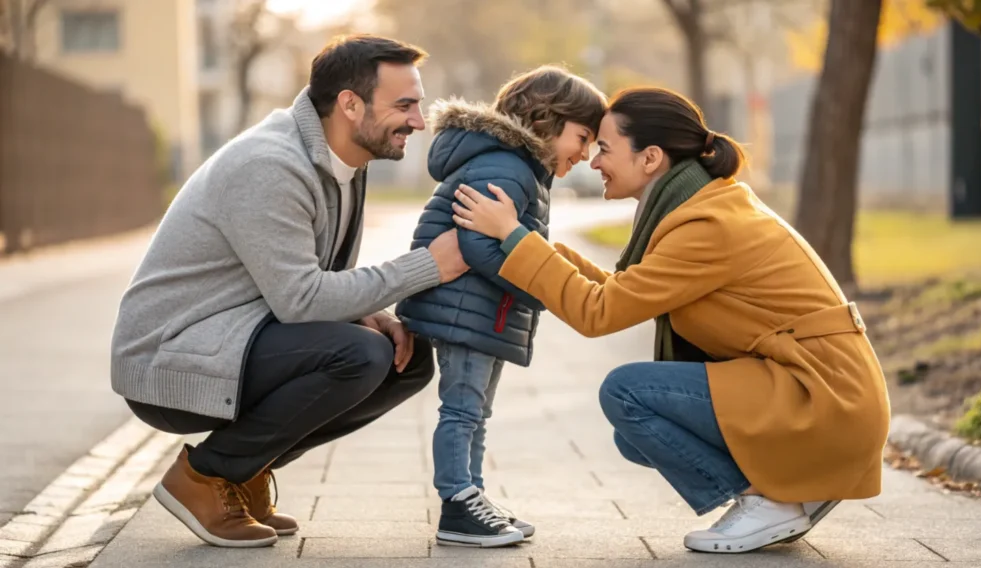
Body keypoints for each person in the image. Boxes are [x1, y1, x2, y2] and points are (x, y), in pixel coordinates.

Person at [449, 86, 891, 554]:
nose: (594, 161)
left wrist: (515, 238)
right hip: (815, 387)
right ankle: (787, 489)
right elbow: (618, 292)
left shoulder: (707, 227)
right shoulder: (701, 206)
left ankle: (769, 501)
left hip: (825, 400)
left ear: (651, 158)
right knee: (632, 437)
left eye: (605, 148)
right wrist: (536, 245)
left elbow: (597, 313)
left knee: (627, 392)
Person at [109, 35, 470, 548]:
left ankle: (245, 473)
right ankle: (206, 477)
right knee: (359, 355)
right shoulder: (271, 164)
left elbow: (298, 282)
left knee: (403, 359)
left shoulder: (343, 161)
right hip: (170, 359)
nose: (419, 120)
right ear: (350, 104)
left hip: (237, 335)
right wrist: (428, 266)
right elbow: (300, 300)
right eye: (405, 105)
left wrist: (373, 310)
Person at [395, 66, 607, 547]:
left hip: (479, 311)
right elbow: (478, 247)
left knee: (475, 411)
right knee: (463, 410)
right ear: (545, 118)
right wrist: (541, 288)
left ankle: (474, 497)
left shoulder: (518, 167)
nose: (586, 153)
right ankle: (457, 504)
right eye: (583, 137)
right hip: (466, 311)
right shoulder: (506, 167)